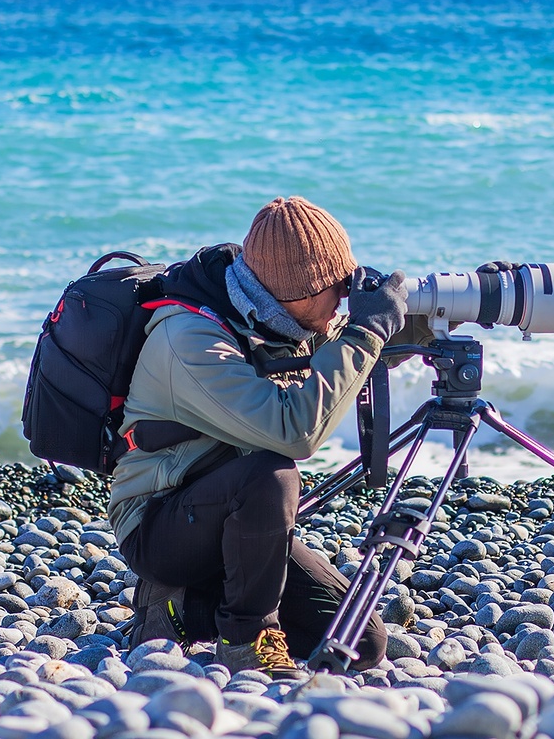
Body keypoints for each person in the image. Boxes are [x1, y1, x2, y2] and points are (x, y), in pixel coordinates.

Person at [107, 196, 411, 681]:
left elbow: (344, 367)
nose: (345, 297)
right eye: (338, 287)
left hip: (233, 518)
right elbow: (294, 431)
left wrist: (440, 313)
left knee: (362, 644)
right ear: (299, 291)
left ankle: (182, 607)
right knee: (273, 473)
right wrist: (365, 333)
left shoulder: (278, 316)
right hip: (159, 521)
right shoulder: (191, 339)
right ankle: (246, 638)